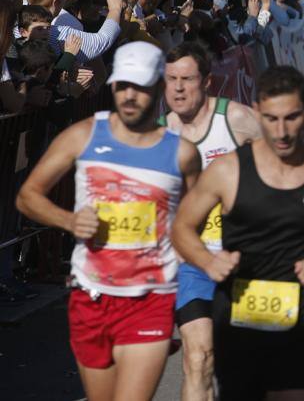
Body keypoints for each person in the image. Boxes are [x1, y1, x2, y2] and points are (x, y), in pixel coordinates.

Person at [172, 66, 304, 400]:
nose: (282, 131)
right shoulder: (227, 171)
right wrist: (206, 260)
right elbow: (182, 227)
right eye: (271, 119)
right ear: (257, 113)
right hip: (237, 323)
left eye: (291, 118)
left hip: (302, 323)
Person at [16, 42, 202, 401]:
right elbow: (28, 196)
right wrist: (70, 220)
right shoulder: (84, 135)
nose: (130, 96)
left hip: (151, 297)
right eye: (122, 86)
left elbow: (193, 223)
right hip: (92, 294)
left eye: (140, 87)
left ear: (158, 87)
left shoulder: (182, 153)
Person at [162, 42, 262, 401]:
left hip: (247, 258)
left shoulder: (237, 120)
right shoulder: (160, 135)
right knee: (198, 356)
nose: (177, 87)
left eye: (186, 79)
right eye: (171, 79)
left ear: (206, 82)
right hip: (192, 263)